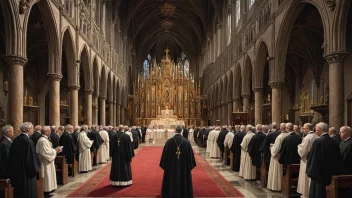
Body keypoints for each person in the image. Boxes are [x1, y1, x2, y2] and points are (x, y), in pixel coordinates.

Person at [306, 122, 342, 198]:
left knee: (319, 193)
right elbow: (338, 157)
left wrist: (310, 171)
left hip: (319, 174)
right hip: (331, 173)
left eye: (316, 130)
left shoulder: (318, 141)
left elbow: (314, 158)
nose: (316, 132)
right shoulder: (334, 141)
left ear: (320, 130)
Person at [160, 125, 196, 198]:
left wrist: (166, 166)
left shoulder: (169, 142)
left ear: (174, 131)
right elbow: (191, 158)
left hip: (171, 168)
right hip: (184, 169)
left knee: (170, 179)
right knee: (184, 180)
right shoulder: (187, 142)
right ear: (181, 131)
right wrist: (189, 166)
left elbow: (164, 157)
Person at [8, 122, 41, 198]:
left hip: (17, 173)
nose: (33, 131)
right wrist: (38, 158)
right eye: (32, 129)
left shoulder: (16, 140)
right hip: (27, 175)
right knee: (28, 193)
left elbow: (11, 157)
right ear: (28, 129)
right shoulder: (28, 142)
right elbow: (31, 160)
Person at [36, 126, 62, 198]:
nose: (50, 132)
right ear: (46, 132)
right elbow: (45, 152)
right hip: (45, 162)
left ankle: (48, 190)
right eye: (49, 131)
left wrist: (54, 150)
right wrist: (55, 150)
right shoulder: (42, 140)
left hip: (48, 162)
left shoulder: (45, 139)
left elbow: (48, 150)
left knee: (49, 176)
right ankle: (45, 191)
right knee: (47, 176)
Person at [297, 123, 318, 198]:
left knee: (306, 180)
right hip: (314, 161)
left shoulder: (307, 138)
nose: (303, 130)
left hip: (307, 161)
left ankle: (306, 194)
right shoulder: (316, 136)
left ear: (308, 129)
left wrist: (299, 146)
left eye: (304, 128)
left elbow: (302, 152)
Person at [267, 123, 288, 191]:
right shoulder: (288, 135)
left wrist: (271, 147)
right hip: (286, 158)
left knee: (277, 173)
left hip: (278, 158)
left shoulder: (280, 137)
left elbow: (275, 150)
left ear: (281, 128)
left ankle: (277, 187)